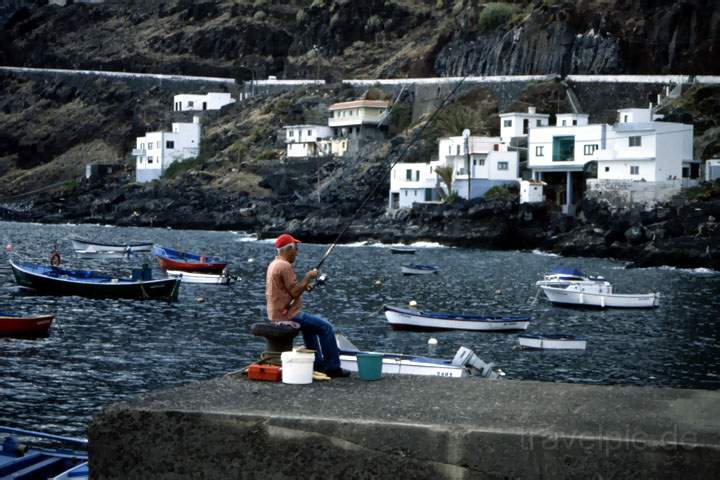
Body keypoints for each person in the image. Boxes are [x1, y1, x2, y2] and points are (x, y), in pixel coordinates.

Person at [265, 233, 350, 378]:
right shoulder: (284, 266)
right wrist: (308, 277)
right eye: (296, 248)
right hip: (287, 315)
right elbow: (294, 292)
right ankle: (332, 367)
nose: (297, 252)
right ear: (288, 249)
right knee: (326, 328)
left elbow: (290, 289)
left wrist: (305, 286)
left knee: (310, 330)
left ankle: (317, 365)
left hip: (277, 312)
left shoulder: (274, 264)